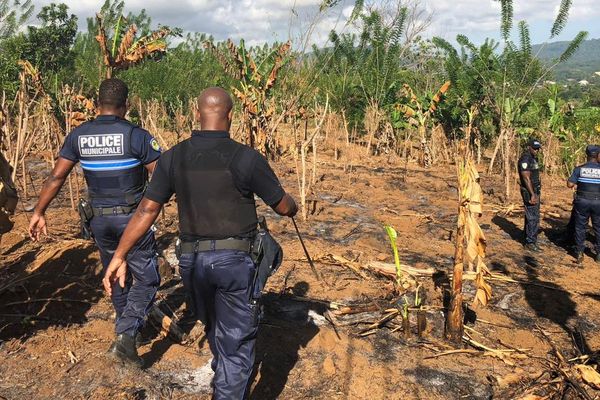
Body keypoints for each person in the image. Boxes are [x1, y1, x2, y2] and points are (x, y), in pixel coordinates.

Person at [103, 87, 297, 399]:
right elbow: (283, 207)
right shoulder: (246, 158)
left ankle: (225, 379)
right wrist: (293, 204)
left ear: (196, 114)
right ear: (231, 116)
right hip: (234, 263)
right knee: (235, 342)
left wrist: (120, 254)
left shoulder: (174, 157)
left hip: (193, 265)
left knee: (217, 329)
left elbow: (146, 210)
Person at [28, 78, 161, 367]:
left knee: (115, 273)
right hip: (132, 219)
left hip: (99, 221)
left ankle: (125, 331)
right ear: (126, 105)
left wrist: (39, 211)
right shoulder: (136, 136)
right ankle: (126, 337)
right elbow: (161, 178)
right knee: (148, 277)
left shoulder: (79, 135)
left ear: (97, 103)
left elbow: (56, 177)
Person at [567, 145, 600, 265]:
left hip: (582, 202)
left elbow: (570, 184)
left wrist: (579, 183)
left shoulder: (579, 169)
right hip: (598, 202)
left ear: (587, 155)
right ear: (597, 155)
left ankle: (579, 253)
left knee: (580, 227)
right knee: (598, 227)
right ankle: (598, 254)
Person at [518, 138, 542, 252]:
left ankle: (528, 236)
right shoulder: (525, 159)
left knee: (532, 215)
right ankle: (530, 242)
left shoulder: (533, 158)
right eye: (534, 148)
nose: (536, 151)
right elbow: (526, 177)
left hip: (535, 190)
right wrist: (532, 194)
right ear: (529, 147)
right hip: (529, 191)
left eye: (538, 149)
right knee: (533, 216)